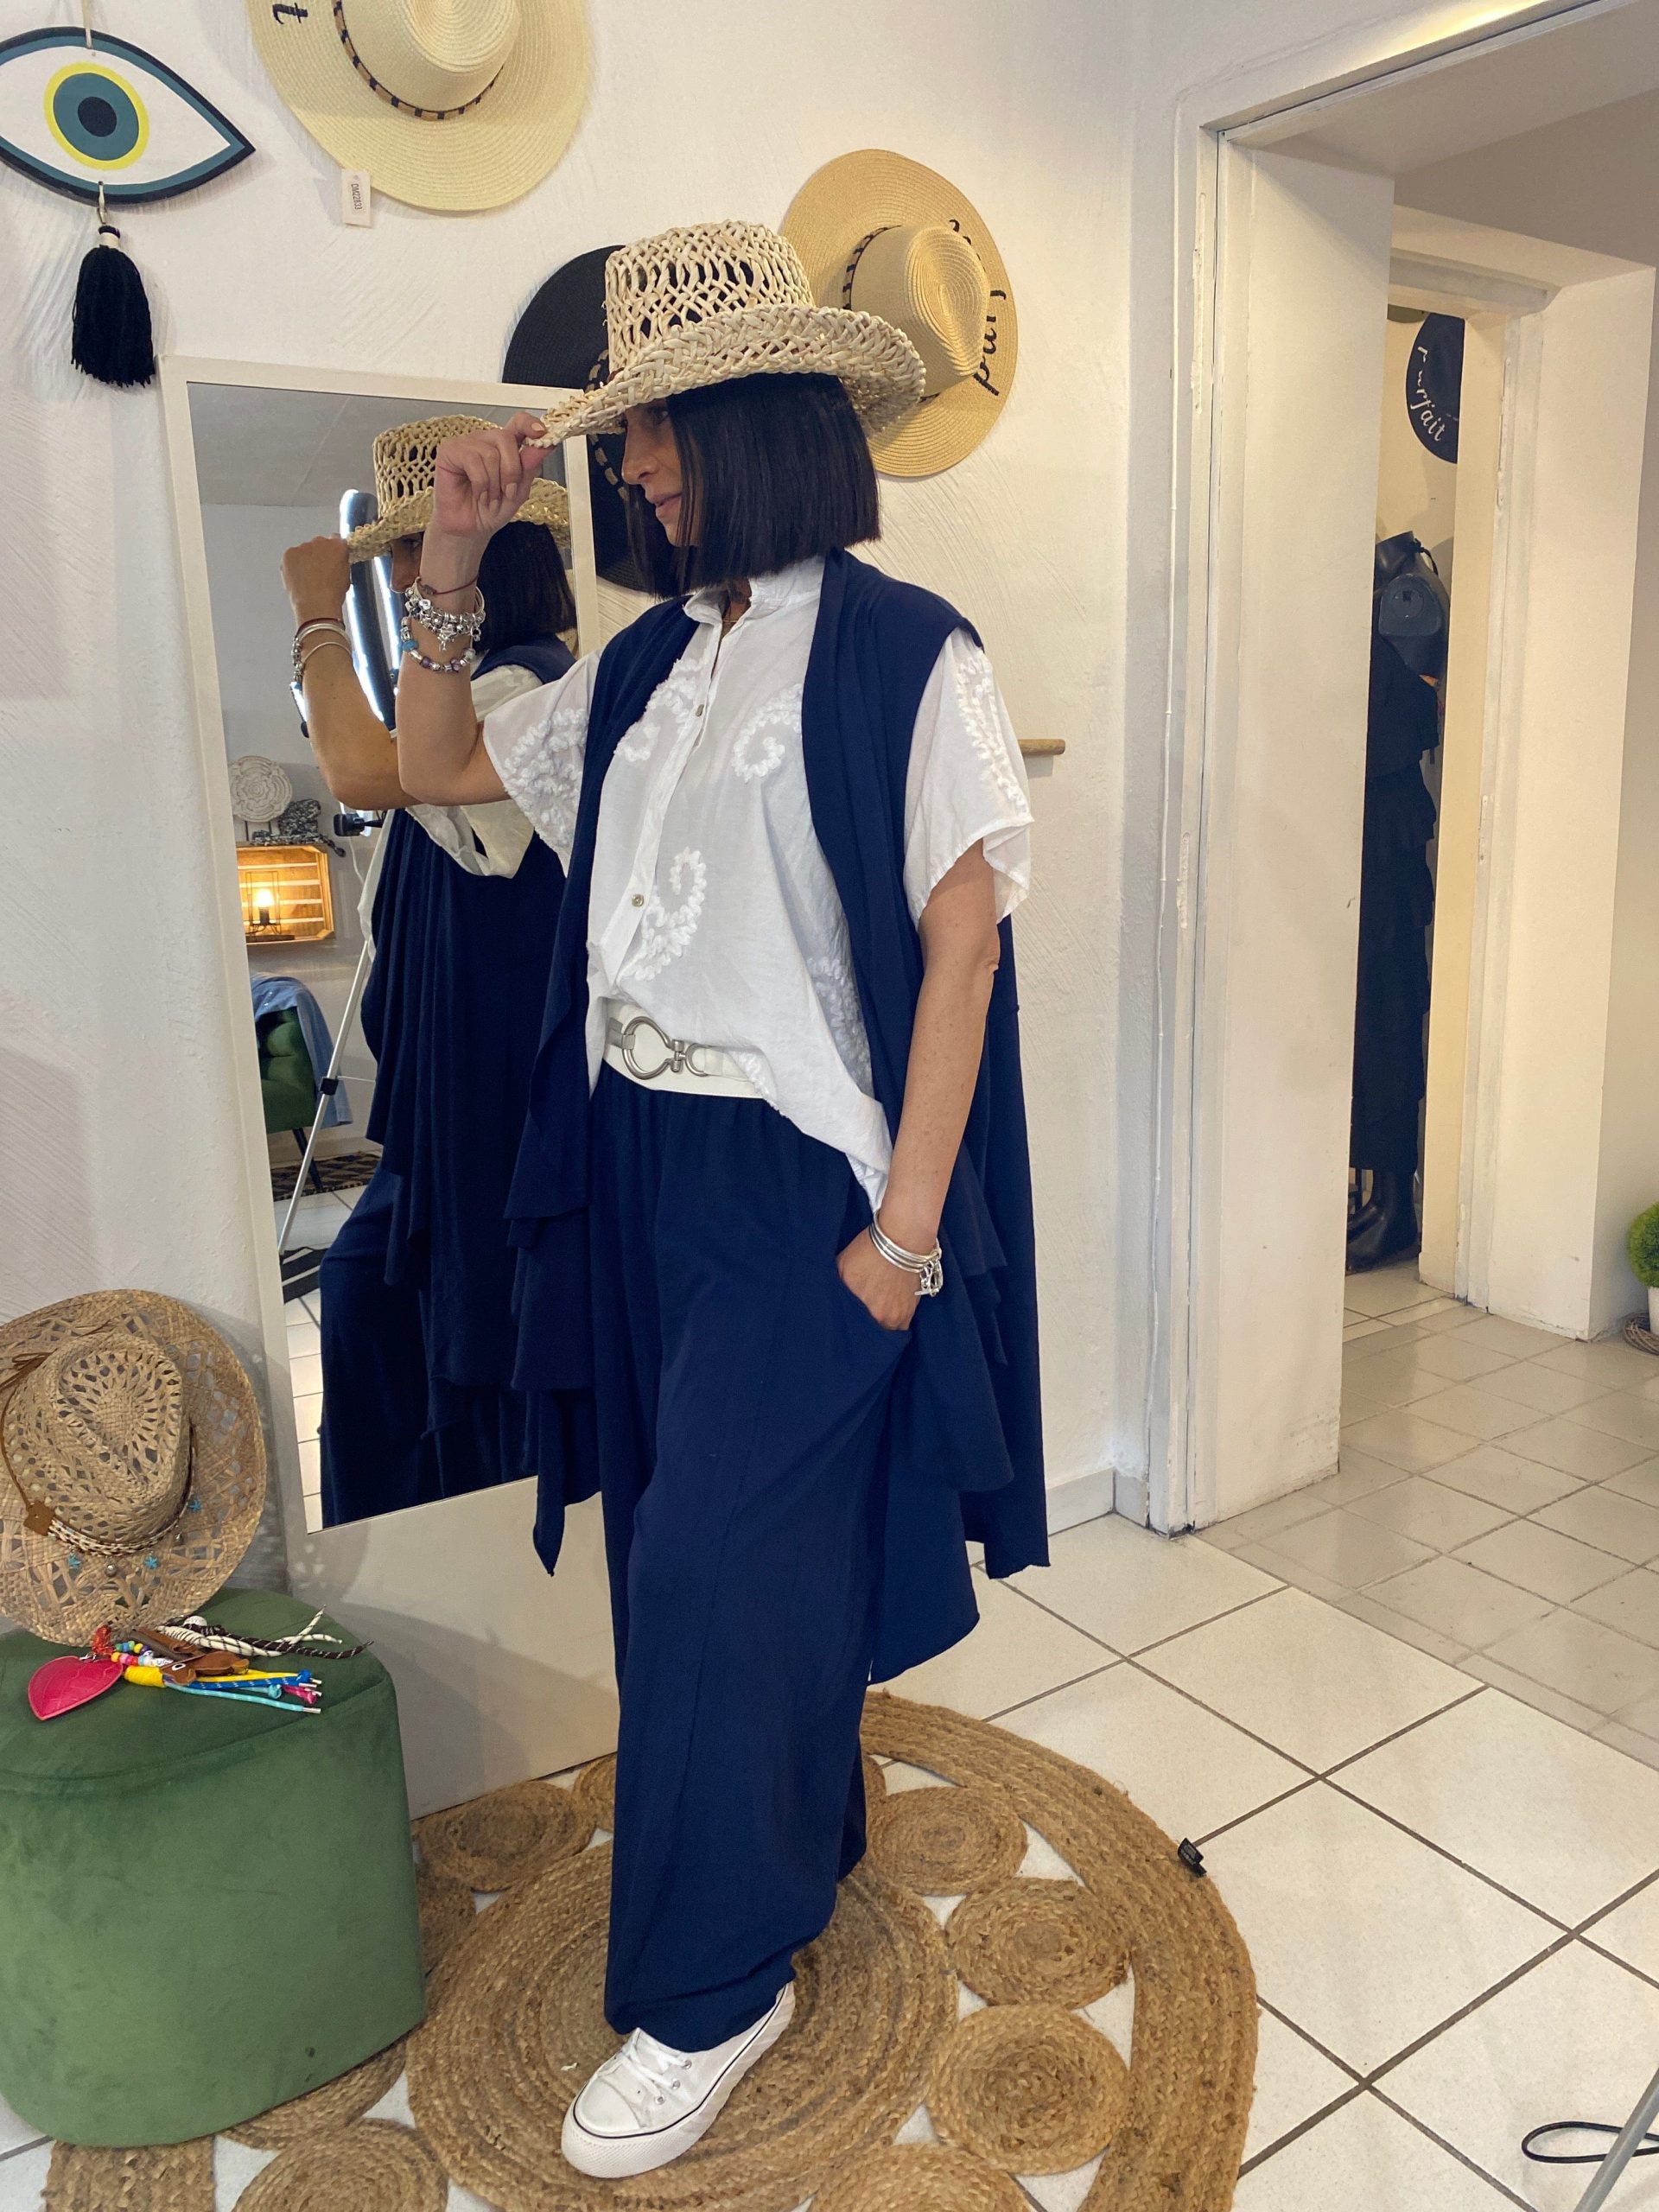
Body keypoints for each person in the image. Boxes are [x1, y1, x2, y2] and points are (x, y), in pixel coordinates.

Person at [394, 223, 1046, 2180]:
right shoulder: (644, 668)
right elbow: (435, 767)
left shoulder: (911, 651)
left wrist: (903, 1240)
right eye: (630, 435)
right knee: (690, 1557)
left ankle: (709, 1987)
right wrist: (448, 571)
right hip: (635, 1165)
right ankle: (801, 1831)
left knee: (707, 1571)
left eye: (665, 425)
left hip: (792, 1179)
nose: (641, 465)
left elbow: (962, 948)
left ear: (768, 422)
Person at [280, 419, 577, 1522]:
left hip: (498, 1076)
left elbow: (366, 769)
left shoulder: (530, 690)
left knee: (454, 1314)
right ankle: (416, 1533)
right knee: (378, 1299)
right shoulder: (479, 686)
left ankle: (484, 1535)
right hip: (454, 1080)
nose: (408, 582)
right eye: (407, 557)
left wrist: (317, 617)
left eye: (414, 554)